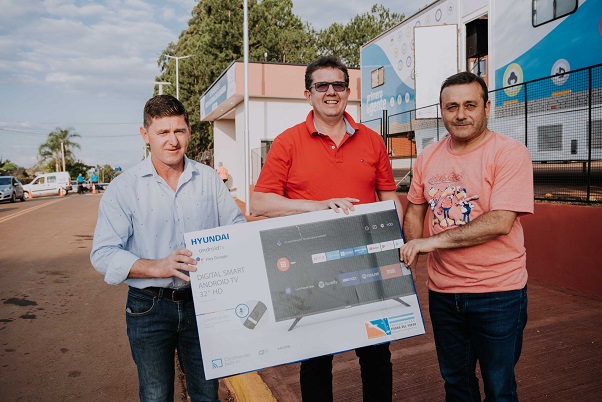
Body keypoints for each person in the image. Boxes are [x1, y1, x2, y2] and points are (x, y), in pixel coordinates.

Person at [250, 55, 402, 402]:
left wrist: (399, 244)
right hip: (311, 268)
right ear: (308, 94)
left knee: (377, 354)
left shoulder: (372, 141)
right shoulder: (287, 142)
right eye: (322, 85)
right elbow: (259, 202)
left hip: (367, 265)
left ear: (348, 92)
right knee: (316, 360)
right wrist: (316, 206)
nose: (331, 92)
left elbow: (389, 197)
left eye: (338, 85)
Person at [90, 94, 245, 401]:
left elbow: (236, 229)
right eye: (163, 132)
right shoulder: (124, 187)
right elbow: (103, 254)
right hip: (148, 307)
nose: (172, 141)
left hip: (204, 302)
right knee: (155, 394)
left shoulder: (209, 179)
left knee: (207, 393)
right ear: (145, 134)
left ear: (189, 131)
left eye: (179, 131)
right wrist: (157, 266)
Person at [400, 71, 533, 402]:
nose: (460, 114)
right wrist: (410, 260)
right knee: (456, 383)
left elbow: (500, 221)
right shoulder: (428, 156)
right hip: (444, 293)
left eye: (470, 105)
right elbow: (414, 210)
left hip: (498, 293)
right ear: (442, 111)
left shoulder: (509, 153)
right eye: (452, 107)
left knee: (499, 388)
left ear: (487, 107)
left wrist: (430, 242)